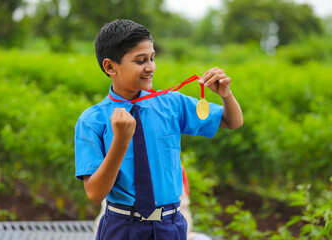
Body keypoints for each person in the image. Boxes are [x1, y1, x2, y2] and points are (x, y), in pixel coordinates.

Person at [75, 19, 243, 240]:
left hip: (170, 225)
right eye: (140, 60)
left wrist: (226, 94)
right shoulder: (93, 121)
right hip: (122, 226)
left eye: (152, 58)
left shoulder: (171, 103)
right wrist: (121, 142)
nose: (150, 67)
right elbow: (95, 194)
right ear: (110, 66)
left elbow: (232, 121)